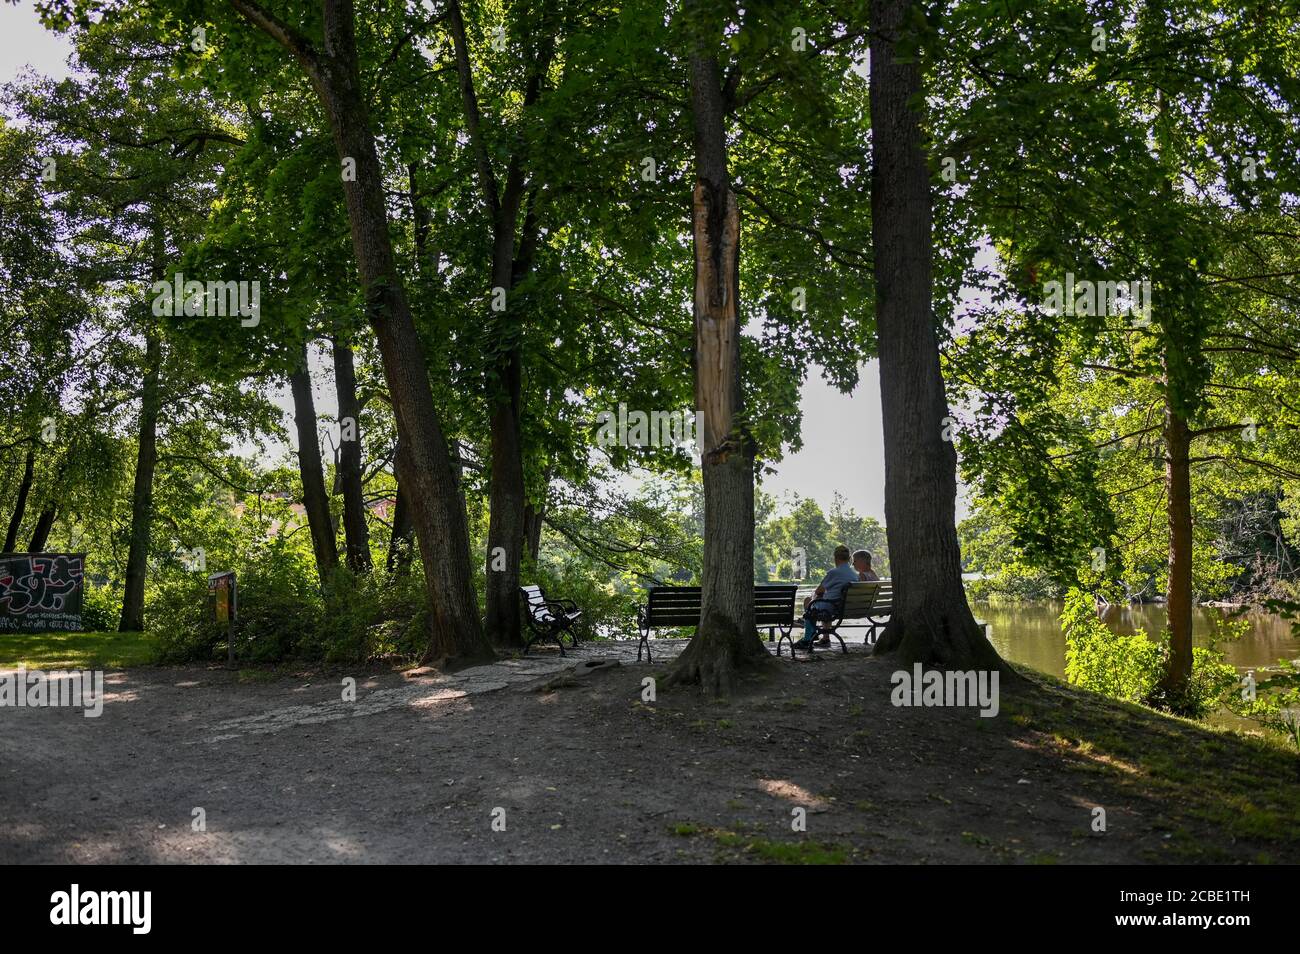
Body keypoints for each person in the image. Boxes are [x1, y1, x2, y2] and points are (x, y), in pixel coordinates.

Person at [795, 544, 858, 650]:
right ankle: (825, 638)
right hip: (844, 607)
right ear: (849, 558)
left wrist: (815, 596)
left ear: (836, 558)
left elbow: (819, 590)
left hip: (832, 607)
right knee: (821, 602)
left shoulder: (834, 572)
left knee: (808, 601)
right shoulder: (854, 574)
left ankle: (808, 637)